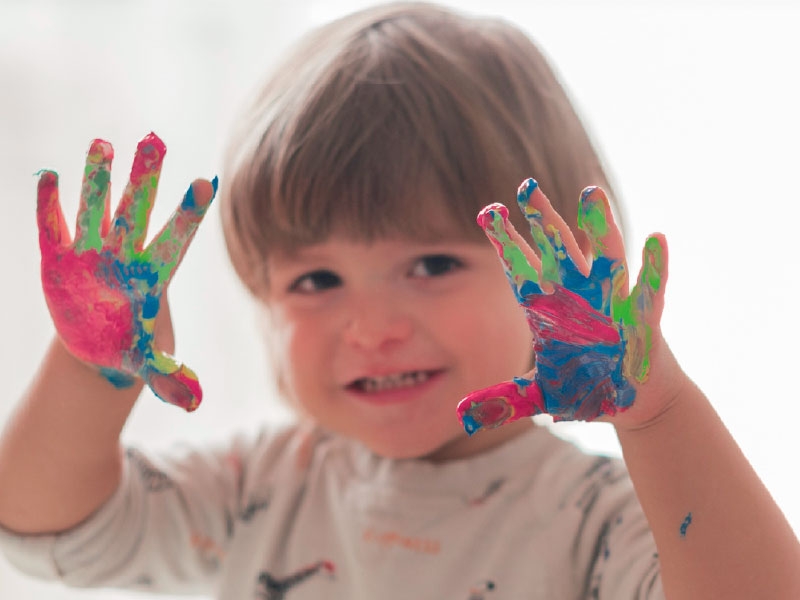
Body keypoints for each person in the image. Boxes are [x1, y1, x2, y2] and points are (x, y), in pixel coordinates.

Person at [0, 2, 798, 599]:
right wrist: (89, 371)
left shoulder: (592, 520)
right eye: (316, 281)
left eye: (432, 264)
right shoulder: (253, 491)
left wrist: (657, 414)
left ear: (556, 274)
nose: (373, 328)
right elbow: (46, 526)